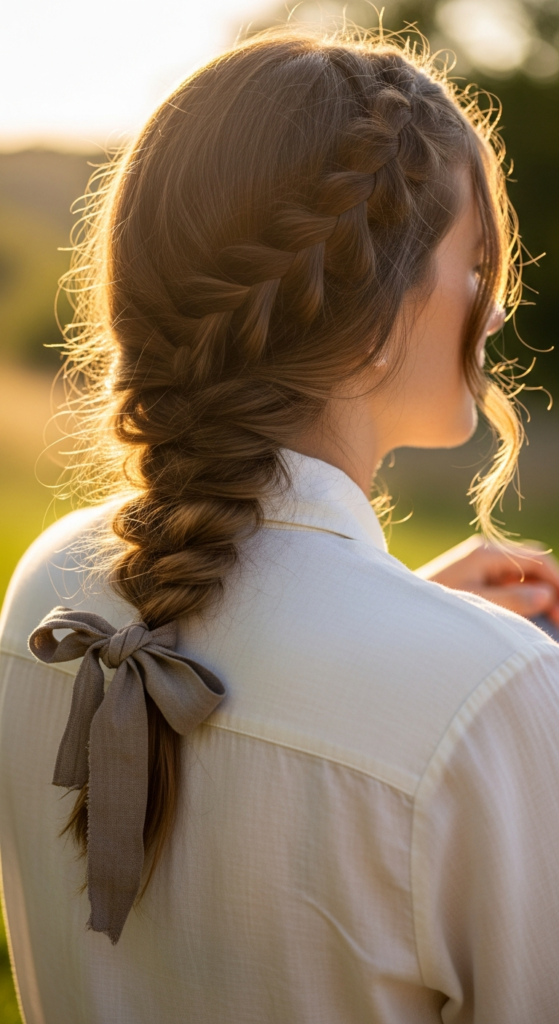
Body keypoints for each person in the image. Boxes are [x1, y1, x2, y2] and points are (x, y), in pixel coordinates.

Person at [1, 28, 559, 1024]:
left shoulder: (46, 595)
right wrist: (464, 673)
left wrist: (410, 623)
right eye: (472, 265)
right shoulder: (495, 698)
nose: (493, 299)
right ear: (371, 307)